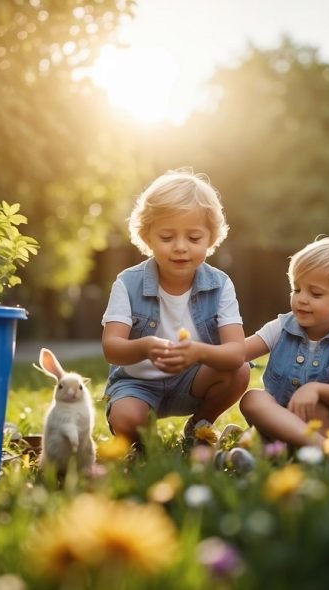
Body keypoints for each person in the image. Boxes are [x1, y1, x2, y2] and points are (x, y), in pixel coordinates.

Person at [101, 169, 249, 443]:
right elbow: (112, 348)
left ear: (211, 238)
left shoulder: (220, 285)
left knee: (239, 372)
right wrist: (145, 347)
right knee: (126, 419)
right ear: (147, 237)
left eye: (194, 238)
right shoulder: (127, 283)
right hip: (138, 384)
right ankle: (145, 439)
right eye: (167, 238)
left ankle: (198, 426)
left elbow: (236, 353)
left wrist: (198, 353)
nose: (180, 247)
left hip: (192, 382)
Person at [240, 236, 329, 447]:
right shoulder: (282, 326)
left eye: (316, 293)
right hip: (282, 417)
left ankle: (313, 447)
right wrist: (204, 348)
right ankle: (314, 448)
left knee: (318, 409)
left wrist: (316, 390)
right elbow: (240, 351)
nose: (302, 299)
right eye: (297, 289)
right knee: (253, 399)